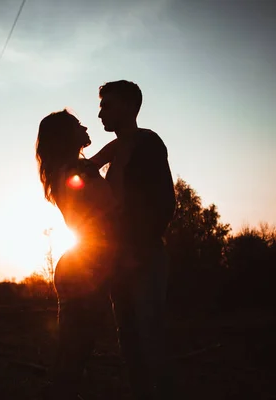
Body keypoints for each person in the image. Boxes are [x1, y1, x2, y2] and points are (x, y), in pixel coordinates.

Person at [95, 80, 176, 399]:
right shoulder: (115, 152)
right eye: (101, 106)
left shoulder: (148, 143)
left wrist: (138, 249)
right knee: (128, 340)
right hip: (119, 262)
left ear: (130, 107)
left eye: (107, 105)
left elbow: (165, 203)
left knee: (149, 337)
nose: (101, 112)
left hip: (143, 258)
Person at [35, 109, 120, 400]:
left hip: (83, 264)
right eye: (76, 124)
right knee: (75, 350)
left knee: (75, 349)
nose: (85, 125)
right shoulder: (74, 172)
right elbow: (104, 217)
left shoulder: (73, 168)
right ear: (64, 136)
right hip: (85, 268)